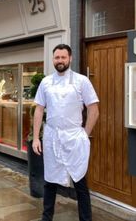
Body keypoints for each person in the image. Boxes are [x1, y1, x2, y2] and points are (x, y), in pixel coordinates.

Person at [32, 44, 99, 221]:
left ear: (70, 58)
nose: (60, 61)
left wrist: (85, 134)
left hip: (74, 138)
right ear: (53, 59)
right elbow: (39, 110)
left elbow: (94, 109)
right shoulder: (46, 82)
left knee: (80, 183)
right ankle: (47, 218)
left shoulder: (81, 81)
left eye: (63, 57)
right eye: (57, 57)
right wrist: (36, 138)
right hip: (52, 137)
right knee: (50, 182)